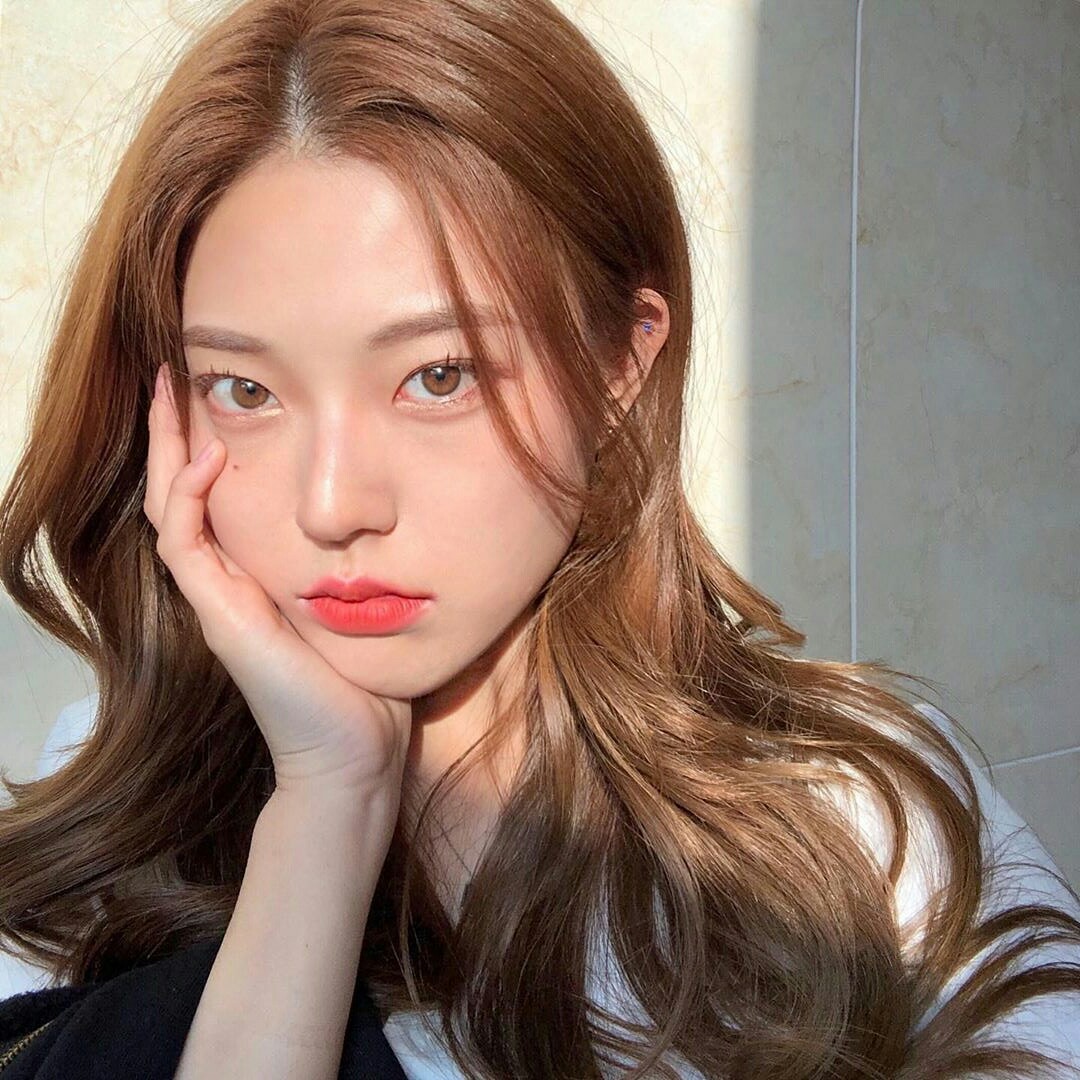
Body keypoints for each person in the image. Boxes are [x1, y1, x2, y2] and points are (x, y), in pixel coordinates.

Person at [0, 0, 1077, 1076]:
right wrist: (328, 806)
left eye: (440, 376)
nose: (332, 506)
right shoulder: (91, 839)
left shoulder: (858, 820)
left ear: (618, 369)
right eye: (245, 389)